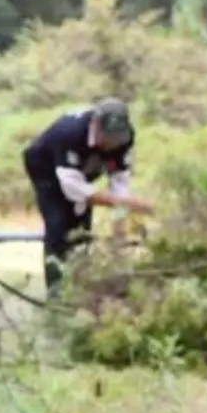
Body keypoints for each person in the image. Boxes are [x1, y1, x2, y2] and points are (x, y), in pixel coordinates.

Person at [22, 98, 152, 293]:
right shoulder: (70, 133)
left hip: (83, 169)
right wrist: (128, 203)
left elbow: (120, 187)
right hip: (46, 169)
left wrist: (119, 233)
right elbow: (73, 189)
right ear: (96, 125)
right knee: (58, 224)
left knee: (82, 228)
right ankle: (56, 293)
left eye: (117, 139)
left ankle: (80, 288)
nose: (112, 144)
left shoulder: (124, 139)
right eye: (108, 137)